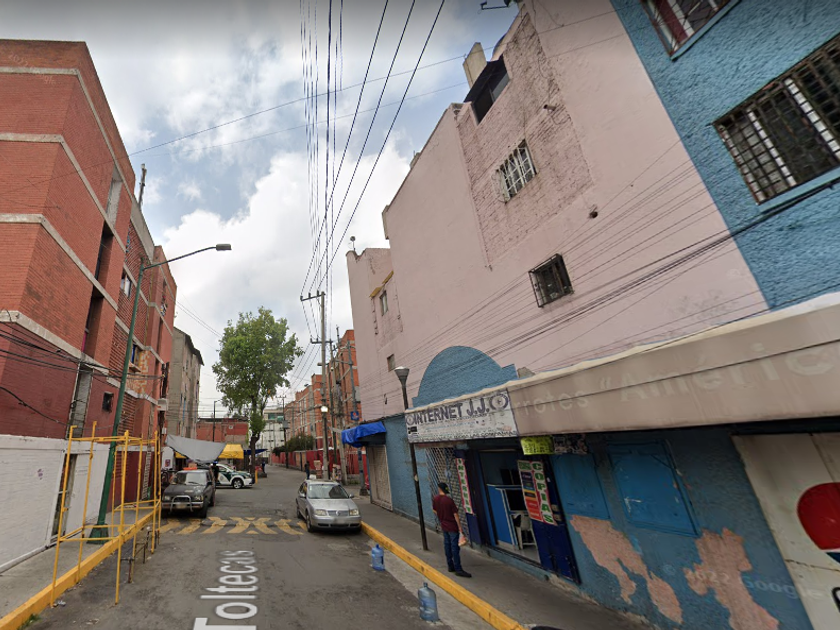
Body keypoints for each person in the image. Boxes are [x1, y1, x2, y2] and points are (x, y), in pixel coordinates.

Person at [432, 482, 471, 578]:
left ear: (439, 489)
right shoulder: (449, 501)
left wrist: (441, 517)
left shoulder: (435, 499)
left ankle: (450, 565)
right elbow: (455, 515)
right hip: (452, 526)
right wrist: (460, 527)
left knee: (447, 545)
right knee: (455, 547)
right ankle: (458, 568)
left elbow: (434, 510)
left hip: (444, 525)